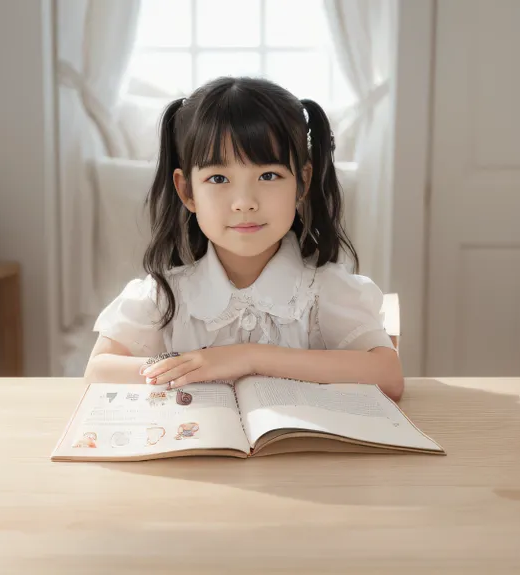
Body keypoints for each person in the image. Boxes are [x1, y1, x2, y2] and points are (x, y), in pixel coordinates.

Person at [84, 76, 404, 401]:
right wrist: (192, 367)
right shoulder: (164, 295)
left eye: (268, 176)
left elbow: (388, 376)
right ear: (186, 190)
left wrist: (248, 358)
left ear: (302, 181)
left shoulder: (324, 290)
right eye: (218, 178)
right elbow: (98, 371)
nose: (244, 202)